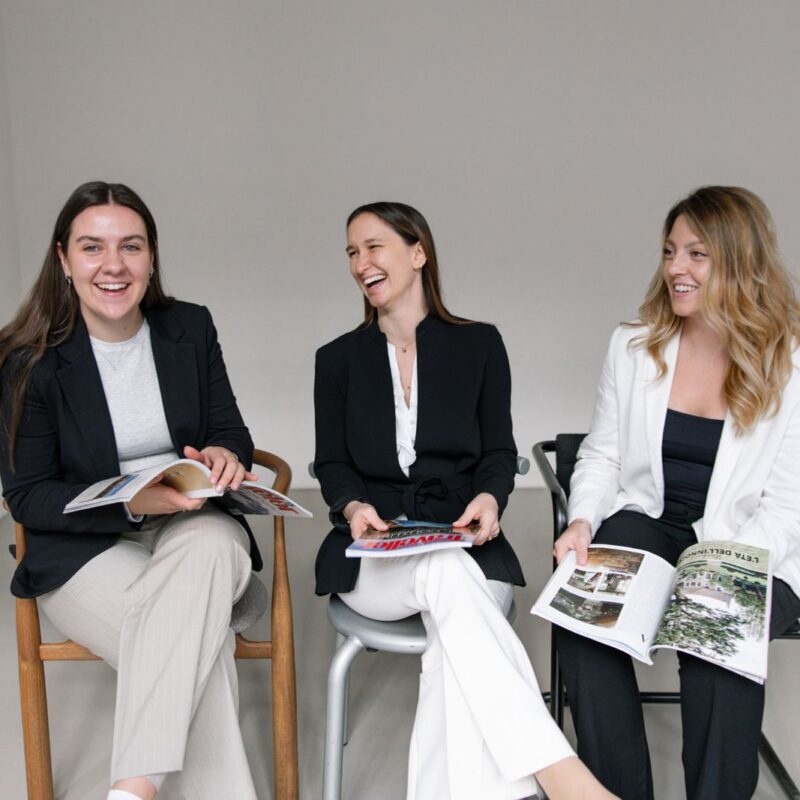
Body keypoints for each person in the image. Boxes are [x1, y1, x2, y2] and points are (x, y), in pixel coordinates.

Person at [313, 201, 618, 800]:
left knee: (451, 637)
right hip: (375, 559)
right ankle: (561, 774)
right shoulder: (337, 361)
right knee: (449, 580)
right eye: (352, 252)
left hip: (465, 541)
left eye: (374, 246)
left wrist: (490, 496)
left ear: (418, 251)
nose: (360, 263)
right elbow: (331, 464)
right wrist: (353, 510)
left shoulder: (479, 345)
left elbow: (499, 453)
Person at [0, 182, 261, 800]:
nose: (113, 265)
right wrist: (128, 502)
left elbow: (229, 431)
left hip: (192, 528)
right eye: (93, 247)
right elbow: (29, 497)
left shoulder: (188, 328)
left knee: (208, 551)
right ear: (63, 259)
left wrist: (226, 455)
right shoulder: (28, 361)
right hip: (81, 552)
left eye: (131, 247)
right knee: (199, 643)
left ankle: (128, 792)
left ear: (151, 258)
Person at [554, 186, 800, 800]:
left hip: (753, 545)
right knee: (584, 617)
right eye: (670, 252)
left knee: (717, 635)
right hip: (653, 520)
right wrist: (582, 520)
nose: (675, 270)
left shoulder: (790, 362)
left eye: (697, 255)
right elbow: (604, 453)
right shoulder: (635, 345)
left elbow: (787, 504)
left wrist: (717, 574)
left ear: (740, 263)